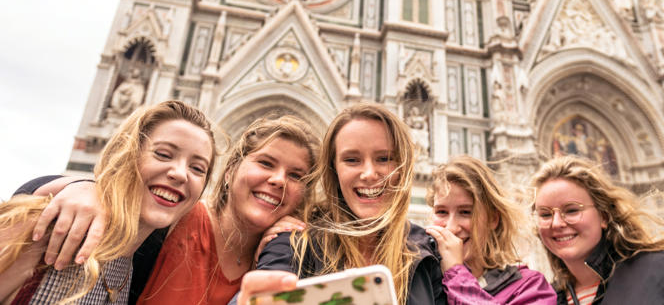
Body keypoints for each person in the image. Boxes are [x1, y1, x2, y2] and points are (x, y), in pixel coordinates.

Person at [15, 114, 319, 305]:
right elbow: (26, 205)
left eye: (296, 175)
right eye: (265, 163)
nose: (278, 180)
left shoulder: (290, 258)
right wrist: (85, 187)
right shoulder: (174, 218)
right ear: (229, 172)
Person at [0, 100, 217, 304]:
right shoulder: (48, 228)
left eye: (198, 168)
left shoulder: (133, 269)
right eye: (163, 154)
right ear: (127, 154)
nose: (180, 174)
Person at [247, 102, 445, 304]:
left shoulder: (429, 252)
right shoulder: (293, 241)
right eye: (352, 159)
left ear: (403, 166)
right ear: (334, 169)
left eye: (384, 158)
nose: (369, 174)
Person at [531, 156, 664, 305]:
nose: (556, 223)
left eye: (572, 210)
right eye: (545, 214)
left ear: (604, 216)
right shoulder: (547, 299)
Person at [425, 156, 556, 304]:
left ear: (493, 219)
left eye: (466, 212)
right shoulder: (419, 280)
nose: (451, 228)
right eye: (441, 212)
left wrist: (456, 273)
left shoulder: (529, 286)